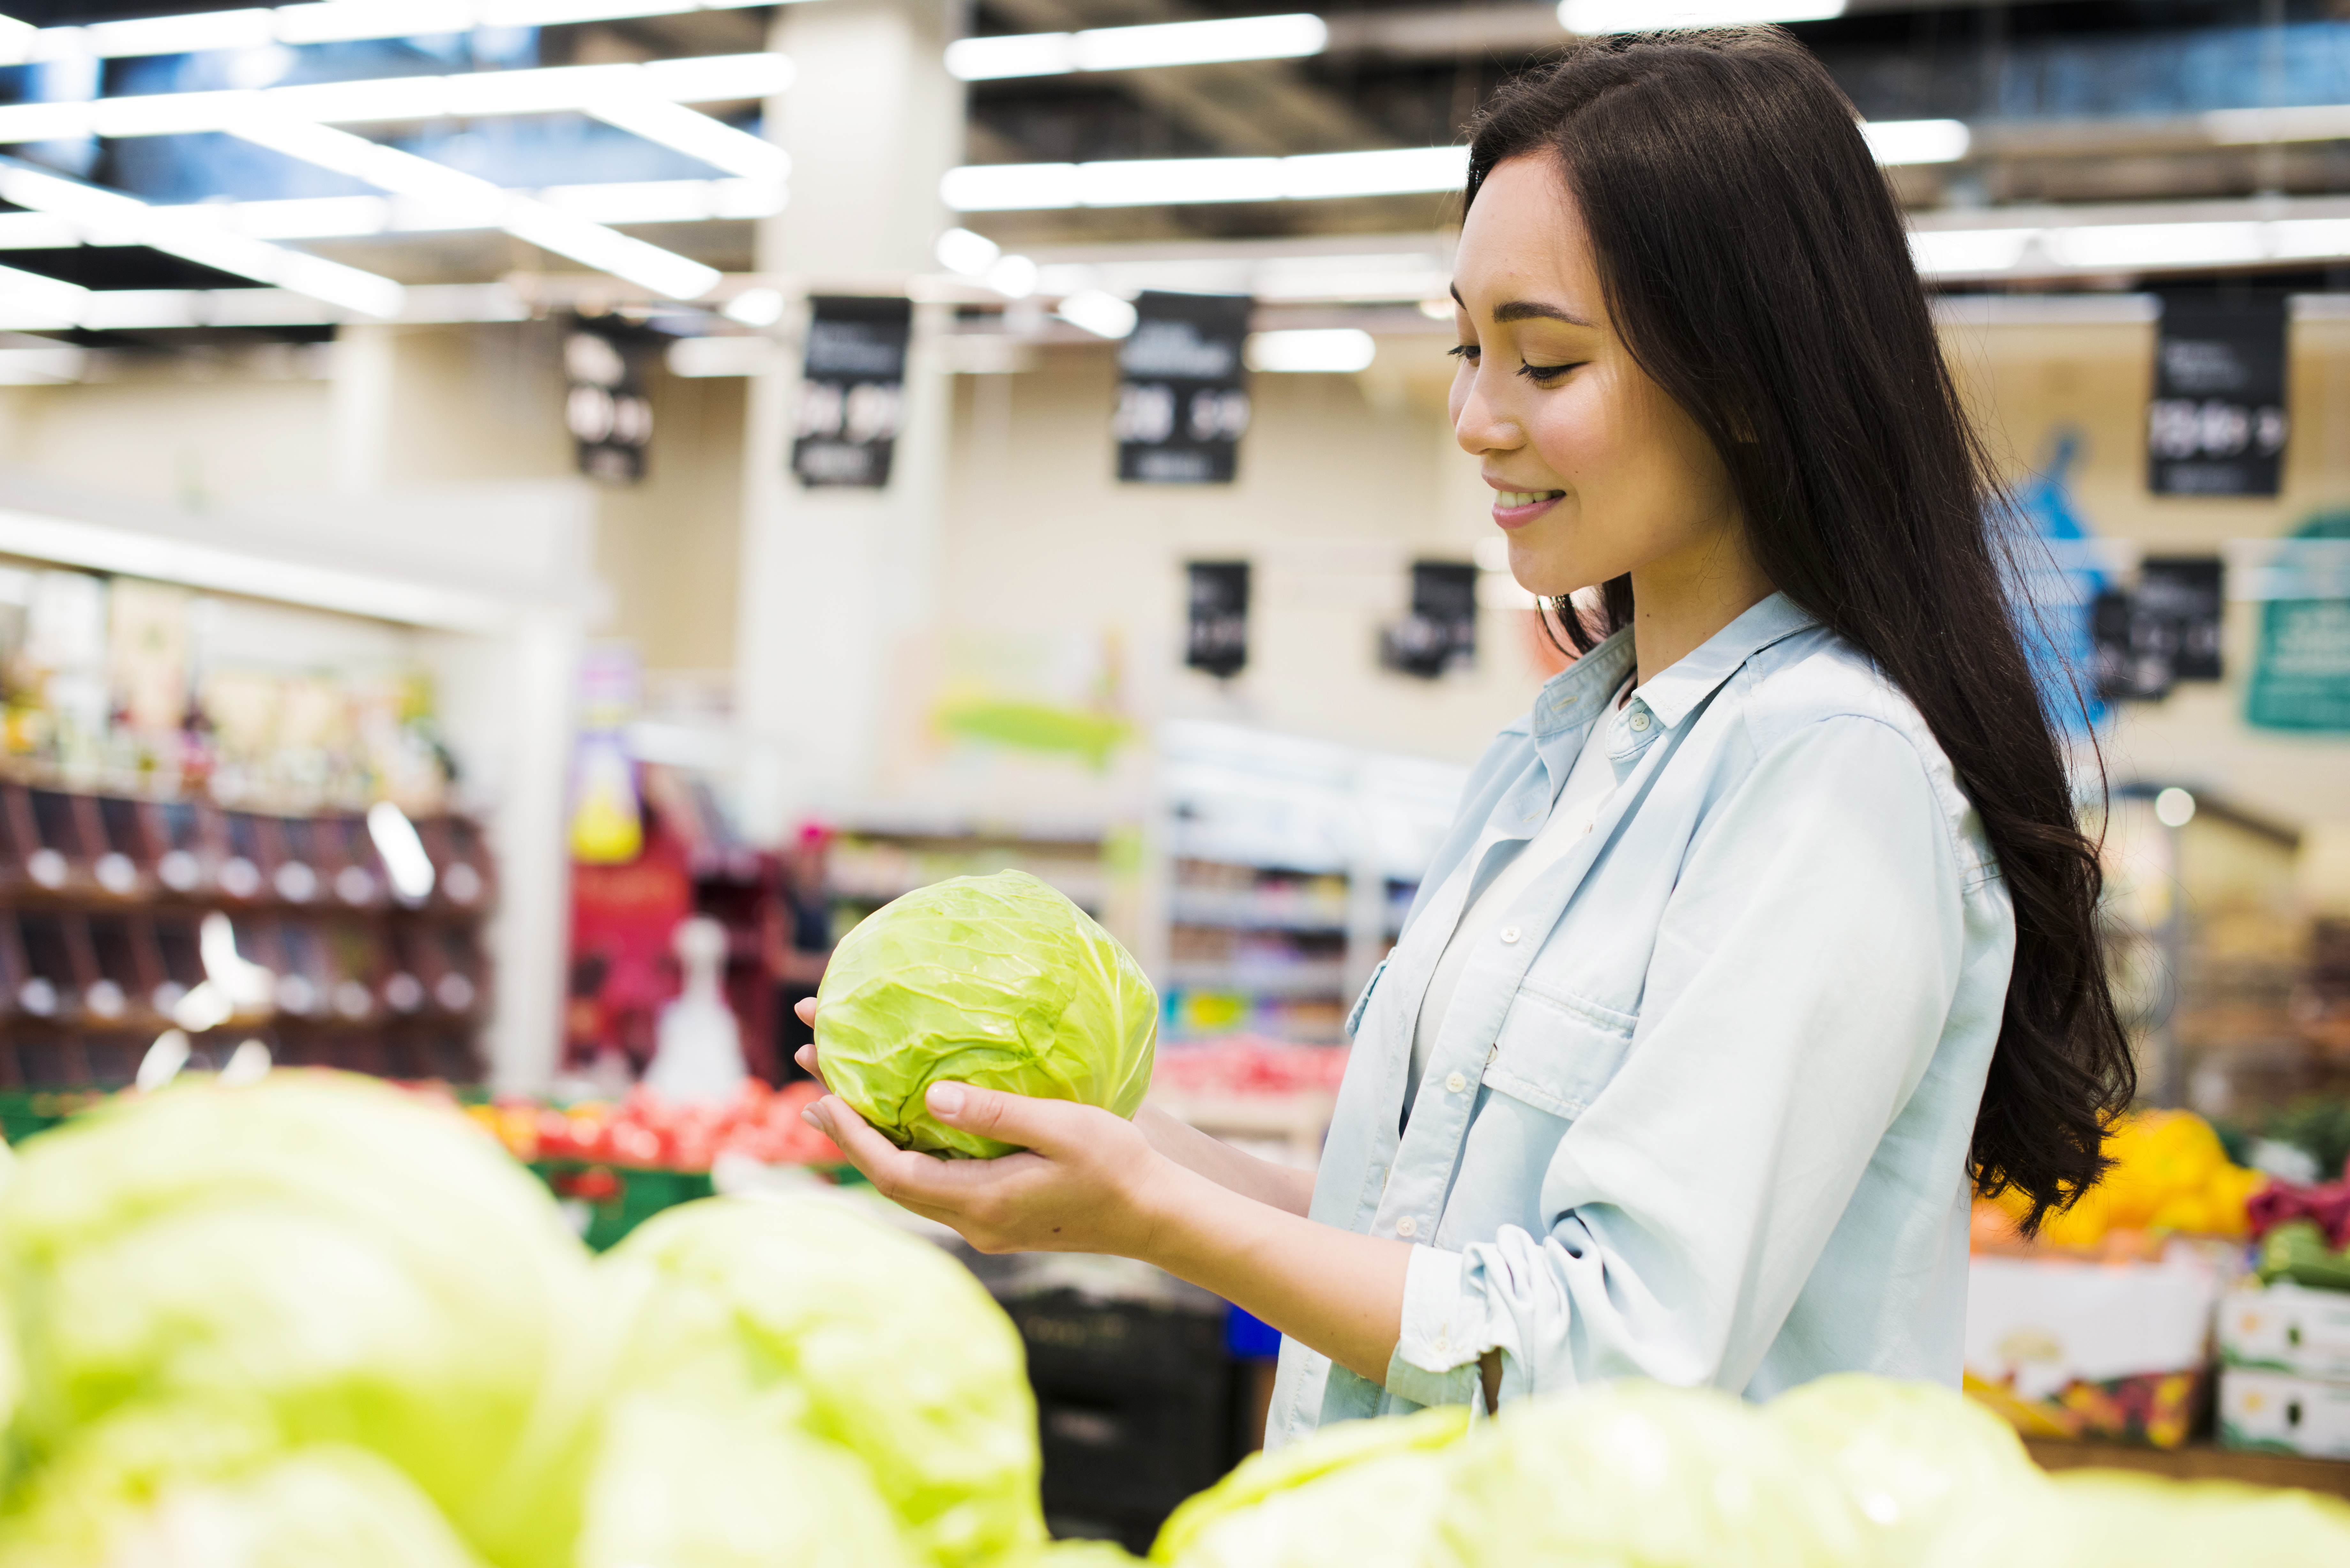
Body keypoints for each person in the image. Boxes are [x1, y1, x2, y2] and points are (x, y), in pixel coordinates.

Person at [795, 27, 2135, 1445]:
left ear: (1749, 382)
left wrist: (1159, 1217)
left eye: (1543, 361)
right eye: (1466, 347)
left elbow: (1617, 1344)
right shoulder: (1560, 756)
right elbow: (1416, 1253)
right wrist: (1116, 1158)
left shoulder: (1832, 774)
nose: (1474, 419)